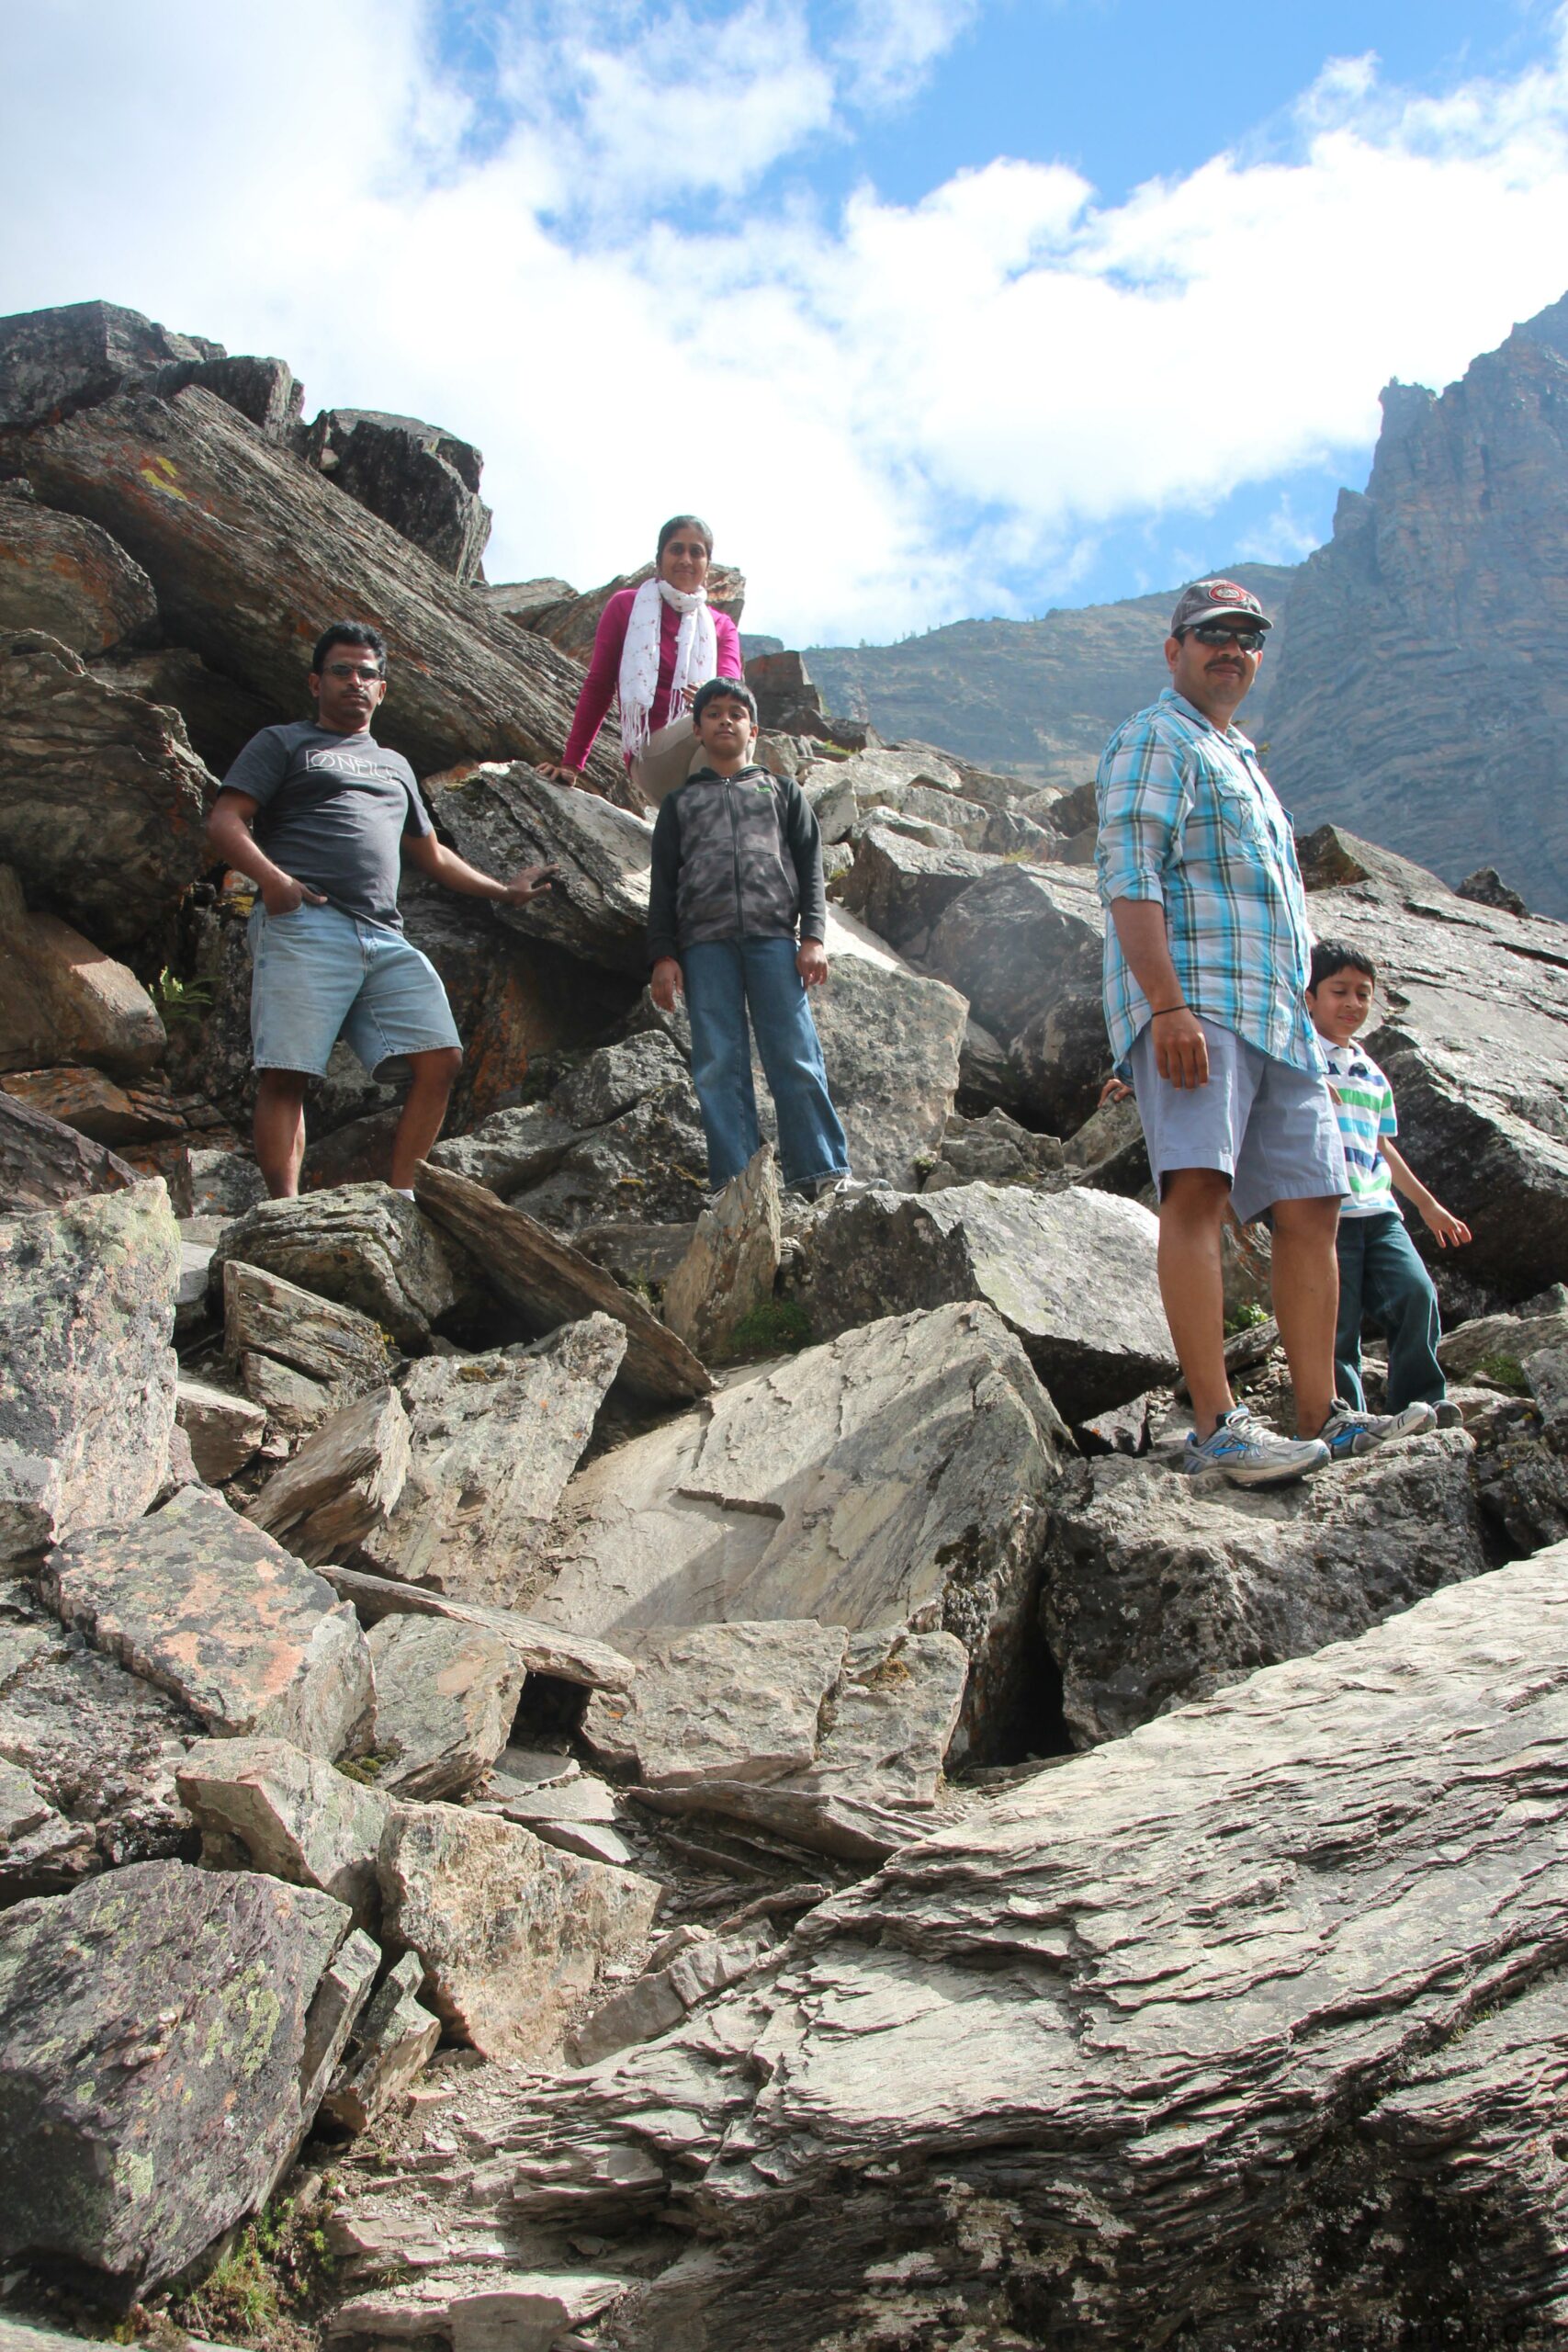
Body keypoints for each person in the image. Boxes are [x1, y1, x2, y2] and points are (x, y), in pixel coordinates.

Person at [1096, 578, 1420, 1486]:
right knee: (1197, 1190)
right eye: (1211, 635)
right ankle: (1216, 1426)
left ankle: (1324, 1416)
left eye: (1246, 637)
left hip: (1283, 1019)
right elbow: (1130, 870)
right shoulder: (1154, 737)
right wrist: (1164, 1005)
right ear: (1174, 649)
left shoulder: (1241, 758)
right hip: (1201, 1003)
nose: (1230, 649)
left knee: (1314, 1206)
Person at [208, 621, 557, 1200]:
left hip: (383, 933)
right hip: (305, 920)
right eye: (342, 671)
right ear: (316, 682)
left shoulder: (395, 766)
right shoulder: (285, 742)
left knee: (440, 1058)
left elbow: (432, 854)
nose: (355, 682)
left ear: (383, 690)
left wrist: (505, 891)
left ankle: (400, 1203)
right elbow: (225, 818)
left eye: (368, 673)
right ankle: (284, 1216)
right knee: (288, 1073)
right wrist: (272, 881)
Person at [648, 677, 856, 1203]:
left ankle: (822, 1174)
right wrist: (663, 954)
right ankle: (735, 1187)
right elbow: (664, 886)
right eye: (713, 713)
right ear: (697, 730)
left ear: (753, 729)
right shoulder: (679, 805)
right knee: (718, 1062)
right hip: (703, 945)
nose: (725, 721)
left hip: (772, 940)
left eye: (736, 713)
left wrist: (812, 937)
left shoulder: (782, 792)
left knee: (794, 1054)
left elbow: (811, 870)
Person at [1307, 940, 1468, 1427]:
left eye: (1363, 993)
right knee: (1338, 1323)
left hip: (1379, 1211)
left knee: (1416, 1293)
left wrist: (1427, 1205)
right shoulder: (1298, 1055)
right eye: (1339, 991)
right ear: (1309, 996)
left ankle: (1421, 1401)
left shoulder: (1371, 1072)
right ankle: (1350, 1418)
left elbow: (1380, 1146)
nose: (1353, 1004)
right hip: (1326, 1213)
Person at [537, 514, 744, 808]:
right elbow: (598, 686)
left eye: (696, 552)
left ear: (707, 569)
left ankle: (705, 835)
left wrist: (711, 696)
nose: (686, 559)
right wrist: (571, 765)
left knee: (735, 723)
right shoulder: (626, 607)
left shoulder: (721, 626)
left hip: (707, 751)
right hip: (652, 758)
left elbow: (733, 690)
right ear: (659, 561)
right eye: (677, 549)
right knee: (718, 723)